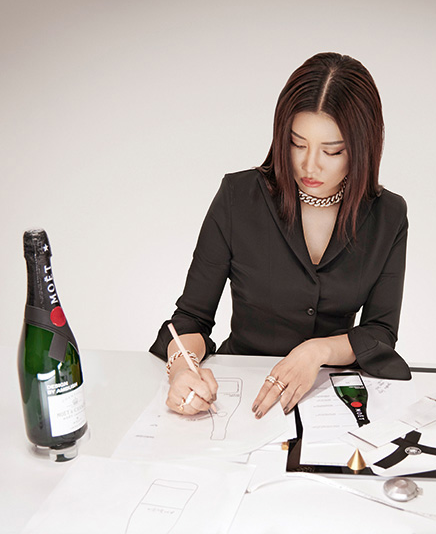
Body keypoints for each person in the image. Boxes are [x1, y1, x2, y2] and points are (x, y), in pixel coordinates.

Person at [149, 52, 411, 419]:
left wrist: (316, 351)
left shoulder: (388, 215)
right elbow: (190, 320)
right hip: (242, 392)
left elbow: (380, 332)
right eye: (297, 144)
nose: (309, 165)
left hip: (327, 397)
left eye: (332, 151)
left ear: (363, 148)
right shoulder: (238, 197)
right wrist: (181, 371)